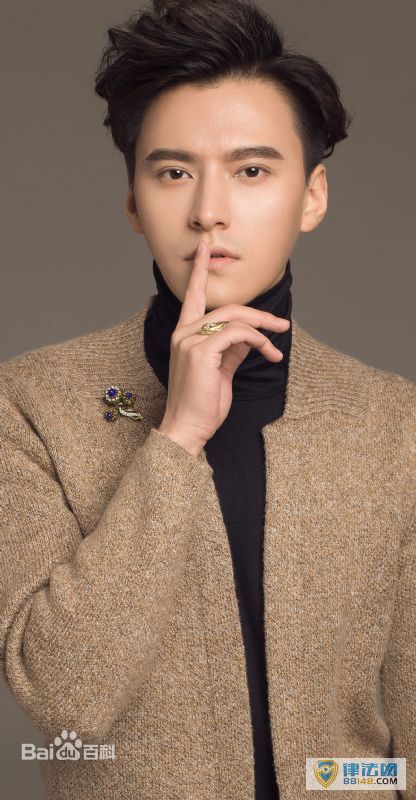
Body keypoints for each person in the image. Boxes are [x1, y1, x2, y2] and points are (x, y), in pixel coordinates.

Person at [0, 1, 414, 798]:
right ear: (133, 200)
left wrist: (344, 782)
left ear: (312, 195)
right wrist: (176, 436)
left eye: (251, 170)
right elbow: (65, 699)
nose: (208, 211)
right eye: (173, 172)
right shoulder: (29, 405)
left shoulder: (392, 424)